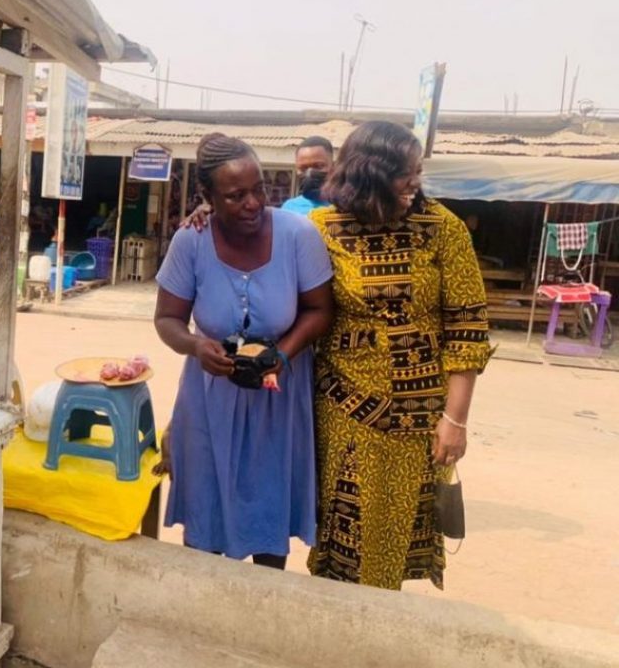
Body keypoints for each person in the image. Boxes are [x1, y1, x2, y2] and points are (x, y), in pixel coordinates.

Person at [306, 121, 493, 590]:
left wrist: (456, 419)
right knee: (342, 536)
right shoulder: (321, 228)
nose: (415, 182)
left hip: (417, 418)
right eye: (403, 173)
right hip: (343, 409)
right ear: (368, 173)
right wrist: (207, 220)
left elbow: (467, 329)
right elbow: (268, 261)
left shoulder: (442, 228)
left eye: (417, 171)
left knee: (392, 538)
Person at [154, 133, 334, 569]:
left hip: (278, 403)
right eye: (236, 196)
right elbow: (167, 320)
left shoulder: (298, 235)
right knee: (206, 529)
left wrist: (284, 353)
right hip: (209, 400)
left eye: (259, 190)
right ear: (207, 198)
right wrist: (197, 346)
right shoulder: (190, 242)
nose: (253, 203)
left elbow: (320, 309)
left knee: (269, 528)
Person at [280, 135, 335, 216]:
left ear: (333, 168)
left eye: (318, 166)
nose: (310, 172)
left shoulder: (346, 207)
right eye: (303, 168)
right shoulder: (289, 209)